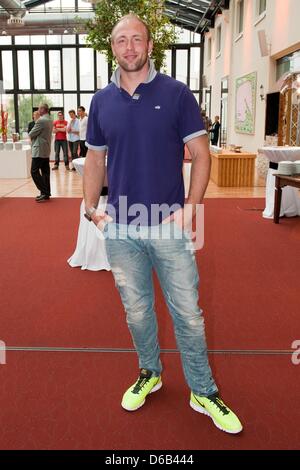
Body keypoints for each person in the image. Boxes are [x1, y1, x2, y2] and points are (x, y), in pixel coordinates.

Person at [83, 14, 242, 434]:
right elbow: (96, 159)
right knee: (137, 312)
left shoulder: (176, 93)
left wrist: (192, 207)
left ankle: (203, 390)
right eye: (122, 41)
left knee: (188, 313)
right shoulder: (101, 101)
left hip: (168, 222)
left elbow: (202, 155)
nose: (130, 47)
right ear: (112, 47)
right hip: (120, 225)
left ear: (150, 45)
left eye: (137, 39)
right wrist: (89, 207)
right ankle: (149, 372)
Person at [29, 103, 53, 202]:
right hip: (46, 149)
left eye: (39, 108)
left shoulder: (41, 120)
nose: (38, 110)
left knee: (34, 171)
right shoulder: (50, 120)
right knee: (45, 172)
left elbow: (31, 134)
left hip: (39, 150)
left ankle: (44, 192)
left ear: (43, 109)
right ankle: (46, 192)